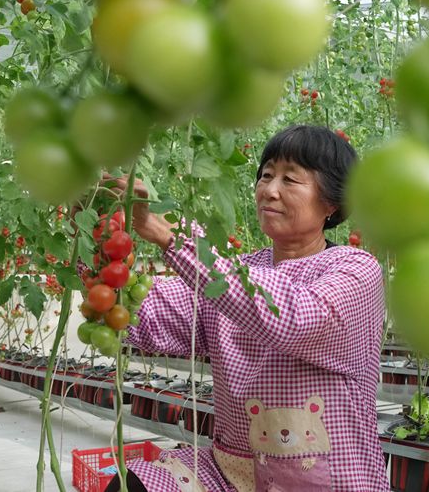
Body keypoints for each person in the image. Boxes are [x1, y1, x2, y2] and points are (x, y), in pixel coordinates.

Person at [103, 125, 390, 492]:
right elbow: (147, 312)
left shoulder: (355, 270)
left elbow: (293, 319)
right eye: (266, 175)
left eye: (290, 179)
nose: (269, 190)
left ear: (332, 202)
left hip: (323, 478)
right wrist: (100, 241)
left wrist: (170, 235)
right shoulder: (234, 272)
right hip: (233, 474)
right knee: (132, 486)